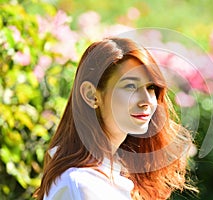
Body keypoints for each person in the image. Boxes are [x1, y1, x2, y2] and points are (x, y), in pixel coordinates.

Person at [34, 37, 195, 200]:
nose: (147, 101)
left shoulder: (119, 172)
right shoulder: (80, 184)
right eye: (130, 86)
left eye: (151, 87)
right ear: (91, 95)